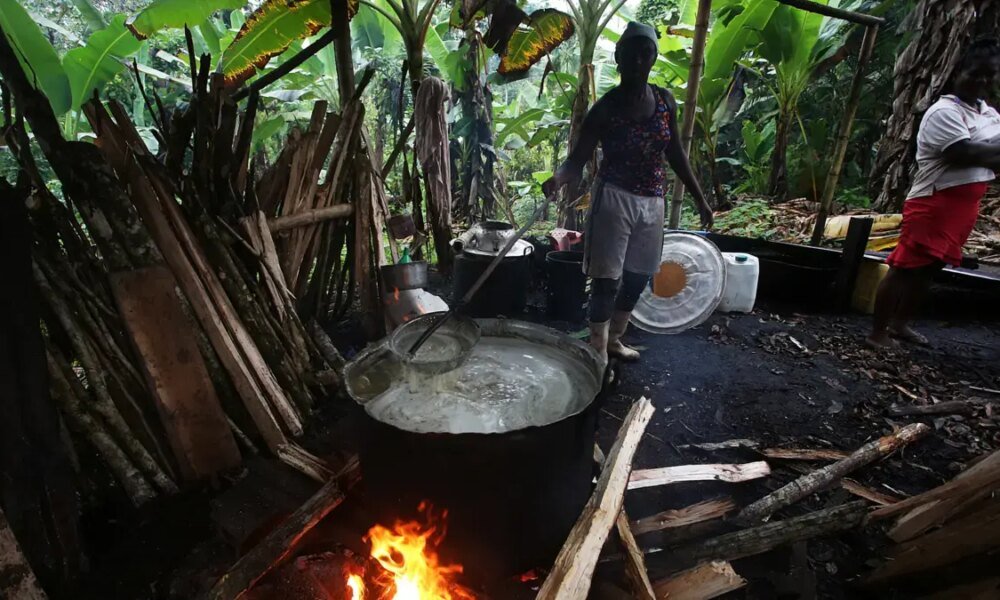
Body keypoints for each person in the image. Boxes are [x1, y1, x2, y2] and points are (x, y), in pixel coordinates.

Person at [543, 21, 713, 363]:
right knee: (606, 279)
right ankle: (597, 351)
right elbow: (576, 160)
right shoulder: (605, 109)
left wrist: (701, 200)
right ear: (618, 58)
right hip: (613, 200)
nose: (638, 61)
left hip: (653, 201)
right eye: (631, 54)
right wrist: (558, 179)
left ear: (653, 58)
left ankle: (615, 340)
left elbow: (676, 153)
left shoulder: (665, 101)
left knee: (638, 276)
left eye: (645, 53)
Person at [868, 37, 1000, 348]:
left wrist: (988, 151)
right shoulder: (943, 112)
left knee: (930, 269)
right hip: (934, 201)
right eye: (975, 74)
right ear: (958, 73)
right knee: (904, 268)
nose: (981, 82)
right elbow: (963, 153)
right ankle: (877, 333)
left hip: (963, 208)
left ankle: (900, 324)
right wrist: (988, 150)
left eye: (989, 75)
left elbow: (988, 155)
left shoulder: (989, 115)